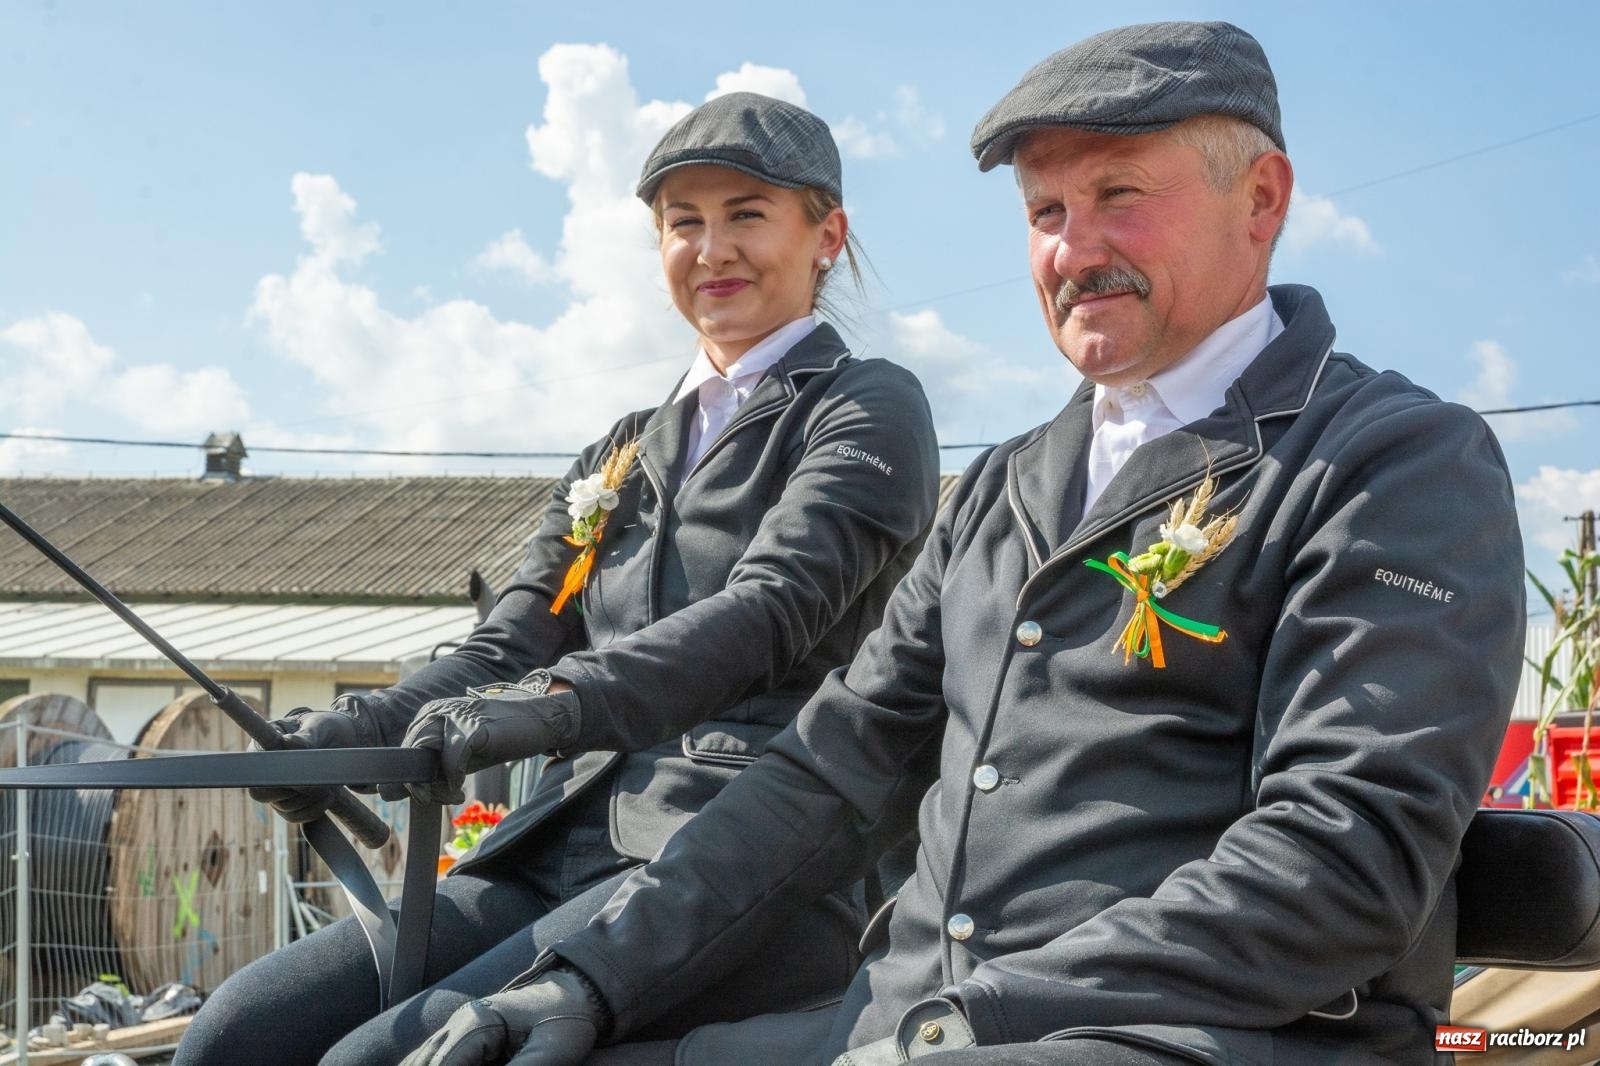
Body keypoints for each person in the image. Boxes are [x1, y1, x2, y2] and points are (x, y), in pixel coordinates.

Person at [402, 21, 1526, 1066]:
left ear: (1261, 199)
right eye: (1046, 213)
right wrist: (588, 980)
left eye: (1119, 196)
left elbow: (1341, 856)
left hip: (1194, 1031)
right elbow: (831, 766)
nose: (1073, 251)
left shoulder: (1392, 463)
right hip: (910, 1022)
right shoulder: (1004, 485)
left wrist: (983, 1013)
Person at [173, 91, 940, 1066]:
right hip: (553, 840)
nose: (712, 250)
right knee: (238, 1032)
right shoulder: (620, 450)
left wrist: (554, 703)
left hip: (736, 851)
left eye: (747, 214)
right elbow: (513, 639)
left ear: (826, 233)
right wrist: (358, 731)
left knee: (373, 1058)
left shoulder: (865, 408)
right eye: (683, 223)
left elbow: (769, 610)